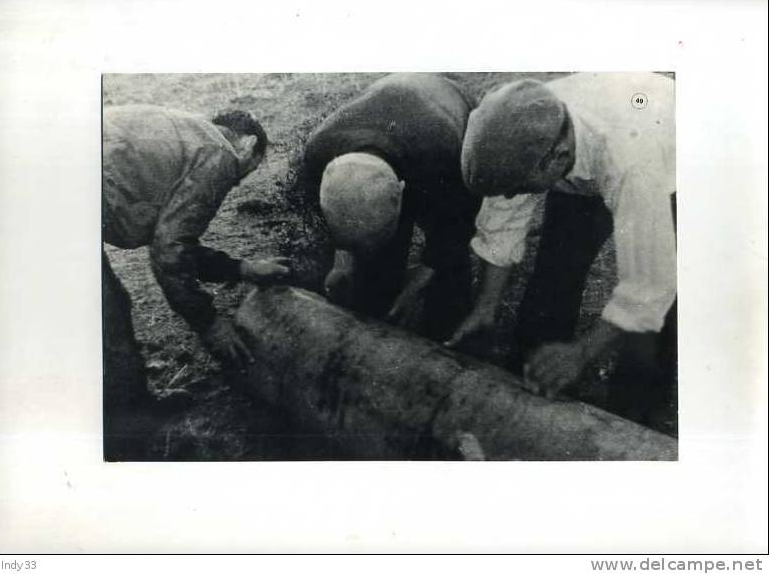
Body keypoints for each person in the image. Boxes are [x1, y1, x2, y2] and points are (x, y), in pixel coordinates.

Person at [447, 73, 676, 428]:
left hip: (677, 161)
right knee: (554, 277)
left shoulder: (631, 160)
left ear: (557, 158)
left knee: (653, 330)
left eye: (519, 187)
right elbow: (502, 222)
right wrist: (486, 308)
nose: (513, 196)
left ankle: (631, 425)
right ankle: (529, 387)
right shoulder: (527, 123)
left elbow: (651, 283)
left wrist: (583, 353)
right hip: (590, 157)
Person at [102, 104, 289, 458]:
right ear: (248, 145)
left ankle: (136, 411)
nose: (237, 182)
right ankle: (127, 452)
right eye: (248, 172)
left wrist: (243, 269)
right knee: (107, 326)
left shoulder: (188, 133)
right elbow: (169, 255)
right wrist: (210, 324)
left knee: (114, 306)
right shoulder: (218, 154)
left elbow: (171, 243)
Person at [302, 73, 481, 340]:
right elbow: (337, 221)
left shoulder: (444, 153)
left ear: (401, 192)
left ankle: (451, 335)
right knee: (376, 276)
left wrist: (424, 276)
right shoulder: (318, 151)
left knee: (448, 270)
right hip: (392, 120)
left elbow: (460, 223)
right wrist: (343, 261)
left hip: (445, 107)